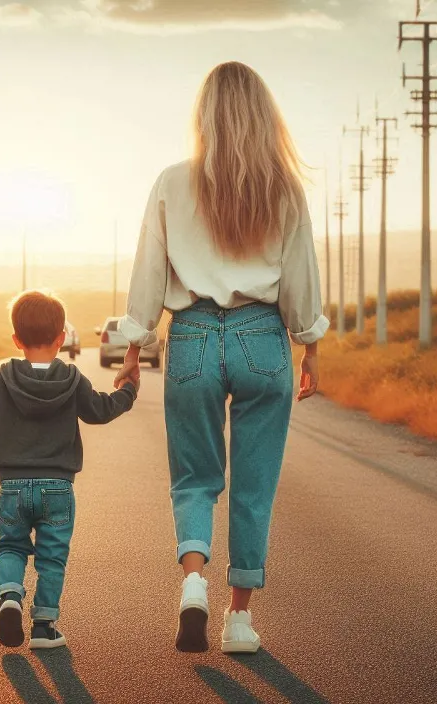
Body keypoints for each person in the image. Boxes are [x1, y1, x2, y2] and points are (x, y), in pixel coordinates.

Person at [115, 62, 328, 654]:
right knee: (253, 485)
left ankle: (191, 583)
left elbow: (149, 274)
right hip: (263, 337)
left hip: (193, 337)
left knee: (193, 477)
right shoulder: (285, 187)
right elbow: (301, 280)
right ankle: (239, 619)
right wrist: (310, 345)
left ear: (203, 116)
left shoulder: (170, 182)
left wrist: (135, 346)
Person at [0, 291, 137, 650]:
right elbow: (100, 410)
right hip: (58, 487)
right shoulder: (73, 379)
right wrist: (128, 391)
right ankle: (44, 627)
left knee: (12, 546)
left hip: (12, 486)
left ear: (16, 339)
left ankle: (11, 597)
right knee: (52, 557)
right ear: (61, 338)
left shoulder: (3, 376)